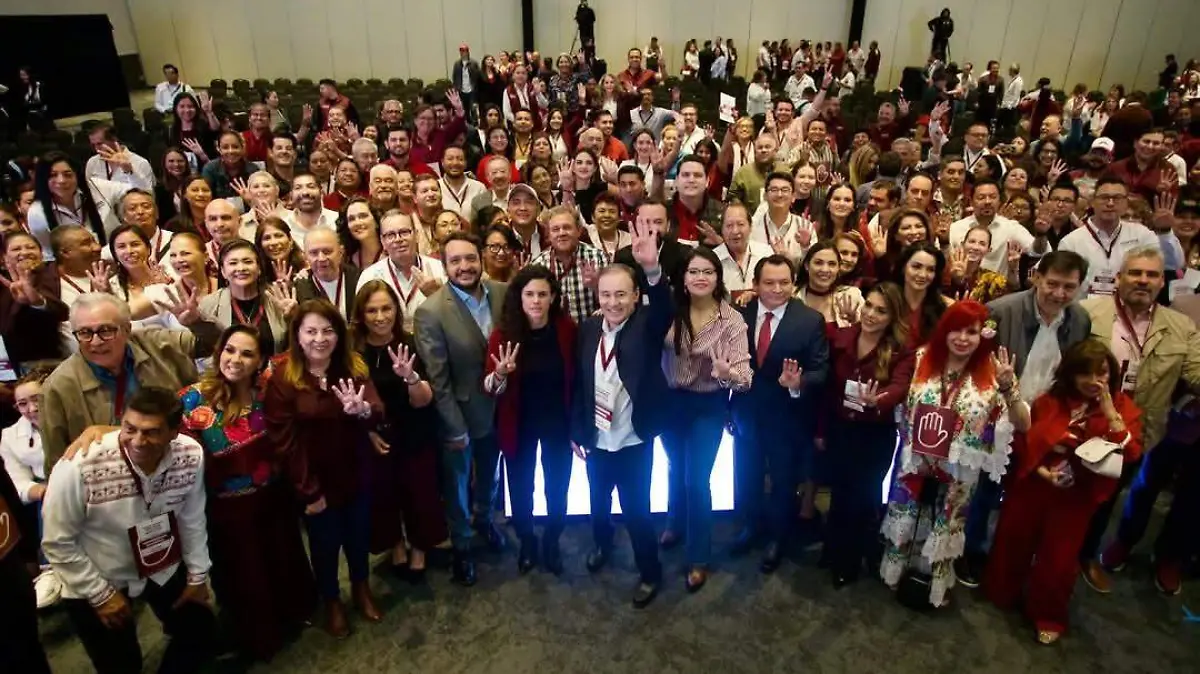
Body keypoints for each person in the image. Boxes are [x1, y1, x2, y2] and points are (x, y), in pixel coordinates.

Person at [41, 387, 217, 674]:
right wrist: (100, 595)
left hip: (159, 562)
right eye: (129, 428)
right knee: (121, 665)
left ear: (174, 433)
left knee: (199, 630)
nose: (137, 441)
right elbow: (57, 542)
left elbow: (192, 517)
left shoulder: (190, 454)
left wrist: (198, 575)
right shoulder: (80, 464)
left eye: (151, 432)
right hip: (97, 572)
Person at [981, 337, 1141, 645]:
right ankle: (1001, 591)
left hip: (1076, 497)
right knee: (1012, 541)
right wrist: (1043, 470)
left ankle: (1048, 615)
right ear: (1071, 373)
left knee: (1059, 560)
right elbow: (1026, 441)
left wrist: (1110, 413)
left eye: (1102, 373)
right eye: (1085, 373)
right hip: (1034, 485)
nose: (1094, 381)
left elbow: (1131, 453)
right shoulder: (1050, 400)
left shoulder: (1123, 409)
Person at [954, 251, 1092, 587]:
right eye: (1053, 284)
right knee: (986, 488)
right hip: (998, 413)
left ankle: (1011, 555)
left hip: (1046, 417)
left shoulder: (1079, 320)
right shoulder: (1001, 312)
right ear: (1037, 277)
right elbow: (974, 365)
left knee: (1026, 491)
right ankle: (971, 550)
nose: (1059, 294)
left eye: (1069, 287)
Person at [880, 301, 1030, 608]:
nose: (962, 339)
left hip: (960, 469)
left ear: (982, 335)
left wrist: (1009, 389)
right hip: (916, 461)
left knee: (946, 524)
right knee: (907, 516)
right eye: (955, 330)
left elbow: (1023, 423)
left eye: (971, 332)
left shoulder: (995, 372)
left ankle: (933, 584)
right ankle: (899, 574)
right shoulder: (922, 358)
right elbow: (903, 407)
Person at [178, 325, 315, 660]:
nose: (235, 359)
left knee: (282, 565)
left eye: (247, 353)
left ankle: (293, 619)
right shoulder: (191, 400)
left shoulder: (268, 391)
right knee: (246, 580)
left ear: (260, 361)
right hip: (228, 514)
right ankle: (258, 638)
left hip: (274, 501)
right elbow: (153, 429)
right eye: (229, 350)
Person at [1075, 247, 1200, 593]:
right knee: (1065, 494)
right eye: (1135, 273)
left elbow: (1196, 371)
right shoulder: (1087, 313)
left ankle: (1085, 556)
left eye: (1151, 275)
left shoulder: (1181, 327)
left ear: (1162, 282)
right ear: (1118, 278)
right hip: (1082, 424)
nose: (1143, 281)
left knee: (1107, 500)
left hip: (1135, 433)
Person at [263, 300, 383, 637]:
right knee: (325, 545)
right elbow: (284, 442)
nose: (320, 339)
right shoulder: (283, 378)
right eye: (311, 331)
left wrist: (363, 410)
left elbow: (377, 410)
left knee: (358, 536)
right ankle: (331, 600)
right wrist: (309, 491)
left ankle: (361, 587)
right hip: (314, 480)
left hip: (356, 471)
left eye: (328, 330)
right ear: (297, 336)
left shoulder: (353, 366)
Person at [571, 221, 671, 608]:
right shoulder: (588, 328)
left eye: (621, 295)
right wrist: (577, 430)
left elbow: (664, 308)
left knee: (637, 512)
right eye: (606, 294)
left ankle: (650, 573)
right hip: (596, 437)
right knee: (597, 503)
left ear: (635, 297)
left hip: (633, 439)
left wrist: (652, 270)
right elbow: (580, 383)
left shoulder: (646, 325)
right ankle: (602, 544)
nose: (613, 303)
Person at [413, 233, 507, 586]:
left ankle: (486, 520)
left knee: (492, 474)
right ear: (444, 265)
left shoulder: (503, 293)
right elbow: (438, 381)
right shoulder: (431, 311)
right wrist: (454, 427)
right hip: (460, 416)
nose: (464, 266)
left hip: (502, 409)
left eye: (470, 258)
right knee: (457, 486)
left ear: (481, 258)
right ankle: (463, 546)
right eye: (455, 261)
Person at [659, 247, 752, 591]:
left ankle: (698, 557)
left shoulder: (732, 320)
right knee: (674, 466)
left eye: (708, 272)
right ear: (683, 278)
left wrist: (727, 374)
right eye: (694, 271)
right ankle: (674, 522)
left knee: (696, 480)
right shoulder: (669, 310)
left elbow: (745, 378)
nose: (701, 277)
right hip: (670, 402)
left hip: (707, 405)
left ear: (718, 277)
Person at [729, 255, 830, 572]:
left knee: (784, 482)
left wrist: (798, 382)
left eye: (784, 282)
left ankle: (778, 538)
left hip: (787, 418)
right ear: (755, 284)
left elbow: (821, 370)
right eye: (769, 283)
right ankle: (750, 526)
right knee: (746, 476)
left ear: (794, 283)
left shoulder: (810, 320)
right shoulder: (739, 314)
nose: (777, 289)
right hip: (745, 414)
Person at [39, 292, 216, 468]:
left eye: (106, 330)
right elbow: (57, 464)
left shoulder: (157, 344)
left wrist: (197, 323)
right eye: (85, 333)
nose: (96, 342)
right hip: (108, 475)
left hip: (179, 462)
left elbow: (216, 344)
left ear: (127, 329)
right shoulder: (58, 387)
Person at [820, 282, 915, 587]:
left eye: (881, 310)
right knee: (839, 493)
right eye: (869, 306)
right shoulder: (843, 337)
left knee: (862, 499)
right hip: (841, 429)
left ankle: (849, 562)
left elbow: (900, 386)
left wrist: (880, 400)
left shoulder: (901, 350)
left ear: (893, 316)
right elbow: (828, 387)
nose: (872, 314)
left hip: (874, 434)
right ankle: (832, 549)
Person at [483, 266, 576, 575]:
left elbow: (578, 378)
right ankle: (527, 540)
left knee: (558, 487)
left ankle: (552, 539)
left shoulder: (567, 330)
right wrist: (500, 374)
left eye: (542, 294)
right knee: (521, 488)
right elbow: (489, 387)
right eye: (530, 294)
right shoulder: (503, 335)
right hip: (518, 423)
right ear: (519, 298)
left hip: (558, 422)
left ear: (553, 297)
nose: (536, 301)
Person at [351, 281, 446, 582]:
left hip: (415, 430)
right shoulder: (352, 352)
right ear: (361, 314)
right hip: (375, 434)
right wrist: (368, 432)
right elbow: (348, 400)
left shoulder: (412, 344)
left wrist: (411, 378)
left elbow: (424, 400)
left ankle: (419, 547)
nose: (380, 317)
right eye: (372, 310)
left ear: (397, 309)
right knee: (384, 494)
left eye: (386, 308)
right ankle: (395, 545)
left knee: (420, 493)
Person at [1057, 177, 1178, 299]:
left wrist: (1165, 232)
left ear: (1126, 203)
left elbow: (1172, 265)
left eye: (1117, 198)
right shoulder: (1071, 242)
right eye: (1104, 197)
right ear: (1092, 202)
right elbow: (1063, 286)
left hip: (1131, 307)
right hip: (1083, 308)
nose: (1110, 203)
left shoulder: (1142, 235)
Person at [27, 151, 153, 260]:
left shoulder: (97, 187)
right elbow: (49, 255)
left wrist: (129, 170)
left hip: (117, 257)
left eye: (68, 174)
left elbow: (144, 193)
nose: (61, 180)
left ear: (77, 175)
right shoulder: (37, 213)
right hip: (76, 269)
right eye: (53, 175)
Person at [196, 239, 290, 357]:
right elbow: (206, 350)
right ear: (223, 271)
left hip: (273, 368)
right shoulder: (209, 304)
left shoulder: (278, 297)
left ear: (259, 268)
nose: (241, 268)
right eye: (233, 263)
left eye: (247, 262)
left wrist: (292, 317)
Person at [357, 209, 446, 328]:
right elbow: (361, 323)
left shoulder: (440, 269)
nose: (398, 239)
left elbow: (458, 317)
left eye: (404, 232)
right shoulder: (369, 276)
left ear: (417, 235)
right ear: (382, 241)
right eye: (390, 235)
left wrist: (437, 296)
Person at [1, 232, 68, 372]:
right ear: (4, 258)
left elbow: (63, 312)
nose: (25, 252)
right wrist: (20, 303)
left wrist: (37, 302)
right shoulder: (3, 285)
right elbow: (7, 329)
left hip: (57, 358)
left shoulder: (52, 275)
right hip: (15, 364)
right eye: (16, 249)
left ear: (41, 254)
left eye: (30, 247)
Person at [295, 228, 360, 317]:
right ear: (305, 256)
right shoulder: (299, 287)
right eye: (314, 253)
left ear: (341, 252)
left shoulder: (360, 279)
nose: (321, 258)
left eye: (327, 252)